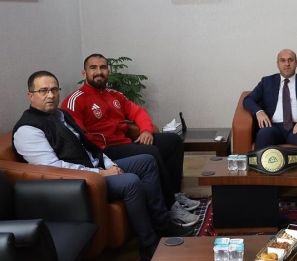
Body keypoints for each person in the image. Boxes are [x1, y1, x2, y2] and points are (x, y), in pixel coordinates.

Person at [13, 71, 192, 261]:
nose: (50, 95)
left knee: (147, 161)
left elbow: (89, 146)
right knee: (130, 181)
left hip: (94, 167)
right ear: (30, 95)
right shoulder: (28, 130)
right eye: (43, 91)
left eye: (54, 90)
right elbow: (54, 169)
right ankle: (149, 245)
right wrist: (102, 173)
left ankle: (163, 225)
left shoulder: (61, 115)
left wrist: (110, 164)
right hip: (77, 184)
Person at [61, 54, 199, 228]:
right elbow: (76, 136)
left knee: (173, 141)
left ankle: (174, 193)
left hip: (124, 143)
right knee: (150, 152)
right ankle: (170, 206)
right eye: (93, 68)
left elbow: (138, 112)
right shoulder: (75, 100)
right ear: (84, 73)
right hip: (104, 150)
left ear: (108, 72)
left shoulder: (115, 95)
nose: (99, 72)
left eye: (103, 67)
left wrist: (146, 131)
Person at [243, 48, 297, 206]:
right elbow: (248, 100)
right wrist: (259, 112)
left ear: (296, 63)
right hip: (273, 126)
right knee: (263, 134)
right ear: (277, 64)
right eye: (283, 60)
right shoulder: (267, 82)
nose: (287, 64)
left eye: (290, 60)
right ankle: (263, 186)